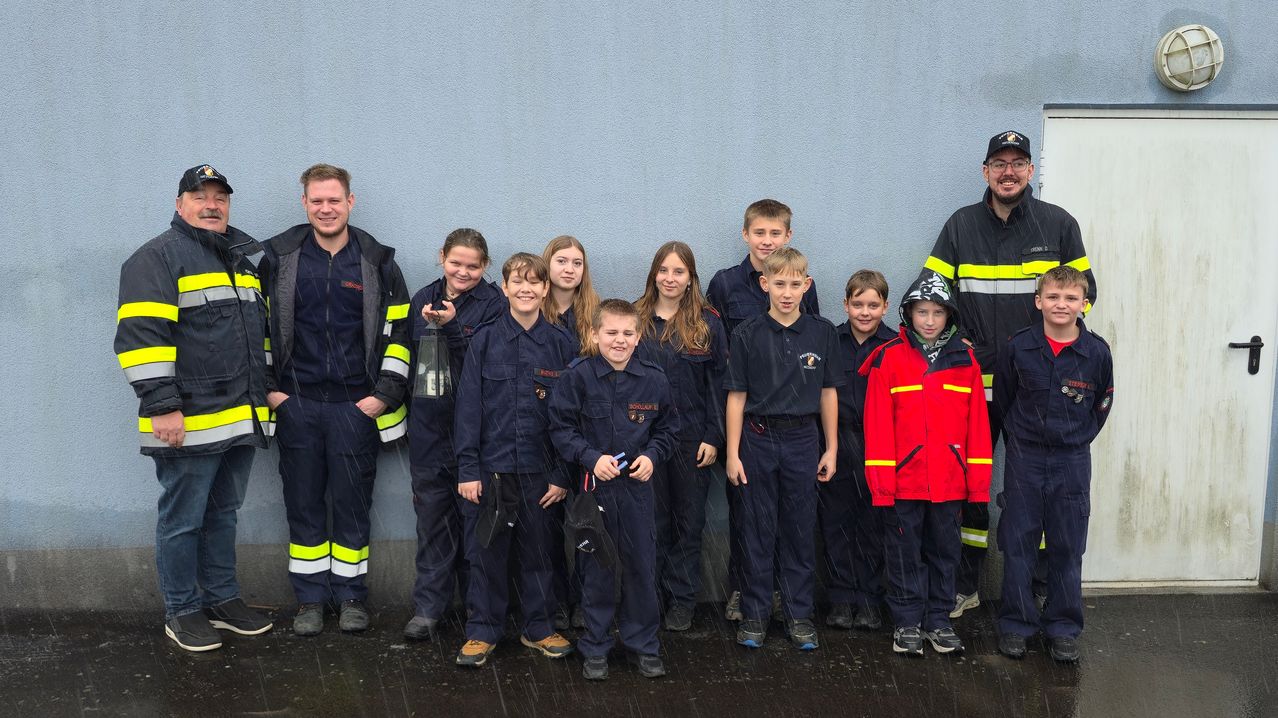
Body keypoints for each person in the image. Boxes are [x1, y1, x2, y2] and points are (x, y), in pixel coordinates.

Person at [923, 131, 1097, 618]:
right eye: (999, 163)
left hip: (1035, 388)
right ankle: (964, 583)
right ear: (985, 171)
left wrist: (1042, 352)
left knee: (1037, 490)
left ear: (1030, 172)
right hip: (972, 383)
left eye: (1017, 163)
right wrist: (961, 343)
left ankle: (1040, 587)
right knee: (968, 484)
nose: (1008, 171)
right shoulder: (960, 225)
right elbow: (934, 296)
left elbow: (1085, 295)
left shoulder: (1059, 225)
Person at [115, 164, 273, 652]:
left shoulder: (241, 260)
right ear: (180, 203)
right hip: (187, 418)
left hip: (240, 416)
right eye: (200, 196)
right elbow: (141, 340)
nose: (212, 205)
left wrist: (264, 396)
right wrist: (162, 406)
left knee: (224, 512)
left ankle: (222, 599)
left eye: (220, 198)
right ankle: (182, 610)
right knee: (183, 518)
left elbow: (256, 341)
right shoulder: (156, 259)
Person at [259, 164, 411, 636]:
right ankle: (309, 600)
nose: (326, 209)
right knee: (302, 504)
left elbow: (400, 334)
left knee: (351, 505)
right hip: (296, 404)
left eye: (335, 200)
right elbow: (255, 331)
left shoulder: (377, 262)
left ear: (351, 202)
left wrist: (382, 396)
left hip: (355, 407)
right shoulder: (277, 258)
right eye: (317, 200)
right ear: (304, 203)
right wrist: (272, 392)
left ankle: (350, 598)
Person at [451, 253, 577, 668]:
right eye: (516, 282)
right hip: (492, 470)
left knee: (540, 552)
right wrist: (469, 470)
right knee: (485, 552)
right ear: (503, 288)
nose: (526, 289)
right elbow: (468, 409)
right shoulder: (484, 341)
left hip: (541, 474)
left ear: (545, 289)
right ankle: (482, 630)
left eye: (534, 282)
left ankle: (538, 628)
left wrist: (562, 474)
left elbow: (569, 416)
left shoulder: (561, 345)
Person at [861, 272, 992, 657]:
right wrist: (882, 485)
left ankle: (938, 620)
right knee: (903, 554)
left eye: (938, 312)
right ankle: (906, 621)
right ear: (908, 314)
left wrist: (978, 485)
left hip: (950, 483)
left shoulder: (964, 361)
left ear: (949, 316)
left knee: (945, 552)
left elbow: (978, 430)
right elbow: (878, 428)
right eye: (922, 312)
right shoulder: (889, 359)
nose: (930, 320)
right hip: (904, 483)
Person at [549, 299, 678, 680]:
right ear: (593, 334)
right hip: (594, 492)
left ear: (638, 336)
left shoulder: (654, 379)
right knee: (597, 569)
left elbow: (669, 429)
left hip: (638, 491)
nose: (619, 340)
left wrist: (653, 456)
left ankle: (644, 645)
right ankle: (596, 646)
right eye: (611, 332)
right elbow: (560, 428)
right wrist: (589, 457)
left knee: (641, 567)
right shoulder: (577, 377)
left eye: (627, 333)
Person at [706, 198, 820, 622]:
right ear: (745, 235)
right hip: (743, 416)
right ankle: (744, 591)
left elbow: (811, 349)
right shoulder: (724, 284)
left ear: (788, 236)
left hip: (793, 422)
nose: (767, 241)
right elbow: (716, 348)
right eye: (760, 233)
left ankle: (786, 600)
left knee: (792, 519)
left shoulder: (800, 281)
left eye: (776, 233)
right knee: (746, 513)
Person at [722, 246, 841, 651]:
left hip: (803, 439)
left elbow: (828, 393)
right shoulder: (746, 334)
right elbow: (736, 396)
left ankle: (798, 614)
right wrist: (733, 453)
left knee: (798, 529)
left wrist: (832, 448)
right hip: (756, 438)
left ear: (806, 285)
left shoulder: (822, 332)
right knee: (757, 530)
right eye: (779, 284)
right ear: (765, 284)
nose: (787, 292)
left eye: (795, 284)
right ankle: (755, 615)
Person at [993, 266, 1113, 663]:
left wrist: (1072, 439)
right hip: (1025, 458)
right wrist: (1024, 442)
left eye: (1071, 298)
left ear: (1083, 303)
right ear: (1038, 301)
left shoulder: (1096, 353)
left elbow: (1101, 408)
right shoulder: (1019, 347)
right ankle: (1016, 623)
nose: (1062, 305)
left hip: (1072, 460)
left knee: (1067, 545)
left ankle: (1063, 626)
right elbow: (1006, 399)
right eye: (1054, 297)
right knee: (1018, 543)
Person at [402, 229, 506, 641]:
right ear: (441, 256)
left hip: (475, 433)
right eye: (456, 263)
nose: (463, 272)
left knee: (476, 527)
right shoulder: (421, 298)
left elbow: (486, 366)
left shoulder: (495, 305)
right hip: (428, 430)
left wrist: (452, 329)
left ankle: (477, 613)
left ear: (485, 266)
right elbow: (404, 357)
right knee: (432, 523)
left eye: (473, 266)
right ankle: (429, 609)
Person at [633, 241, 728, 632]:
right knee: (651, 523)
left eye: (679, 272)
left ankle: (683, 600)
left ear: (691, 279)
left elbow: (720, 383)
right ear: (654, 274)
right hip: (645, 441)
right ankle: (648, 598)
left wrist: (713, 435)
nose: (670, 279)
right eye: (664, 270)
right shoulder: (635, 320)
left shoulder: (707, 324)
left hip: (693, 441)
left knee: (688, 525)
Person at [819, 270, 896, 632]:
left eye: (873, 305)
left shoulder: (896, 346)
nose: (865, 312)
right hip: (837, 440)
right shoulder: (829, 341)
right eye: (858, 304)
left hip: (881, 445)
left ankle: (868, 599)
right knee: (836, 522)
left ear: (886, 305)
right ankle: (840, 598)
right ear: (845, 304)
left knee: (873, 524)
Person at [541, 234, 600, 629]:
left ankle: (584, 602)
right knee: (544, 533)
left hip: (585, 437)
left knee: (586, 527)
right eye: (561, 261)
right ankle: (553, 604)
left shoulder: (594, 315)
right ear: (547, 266)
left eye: (577, 263)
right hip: (538, 435)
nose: (569, 269)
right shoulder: (529, 309)